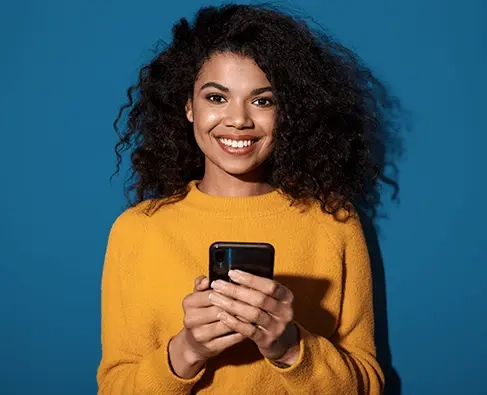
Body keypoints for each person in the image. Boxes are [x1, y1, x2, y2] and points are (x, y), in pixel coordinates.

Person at [97, 3, 396, 394]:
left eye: (263, 100)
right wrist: (187, 350)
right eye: (216, 98)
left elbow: (367, 387)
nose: (238, 119)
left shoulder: (333, 222)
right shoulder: (137, 231)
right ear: (189, 106)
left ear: (287, 112)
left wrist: (291, 347)